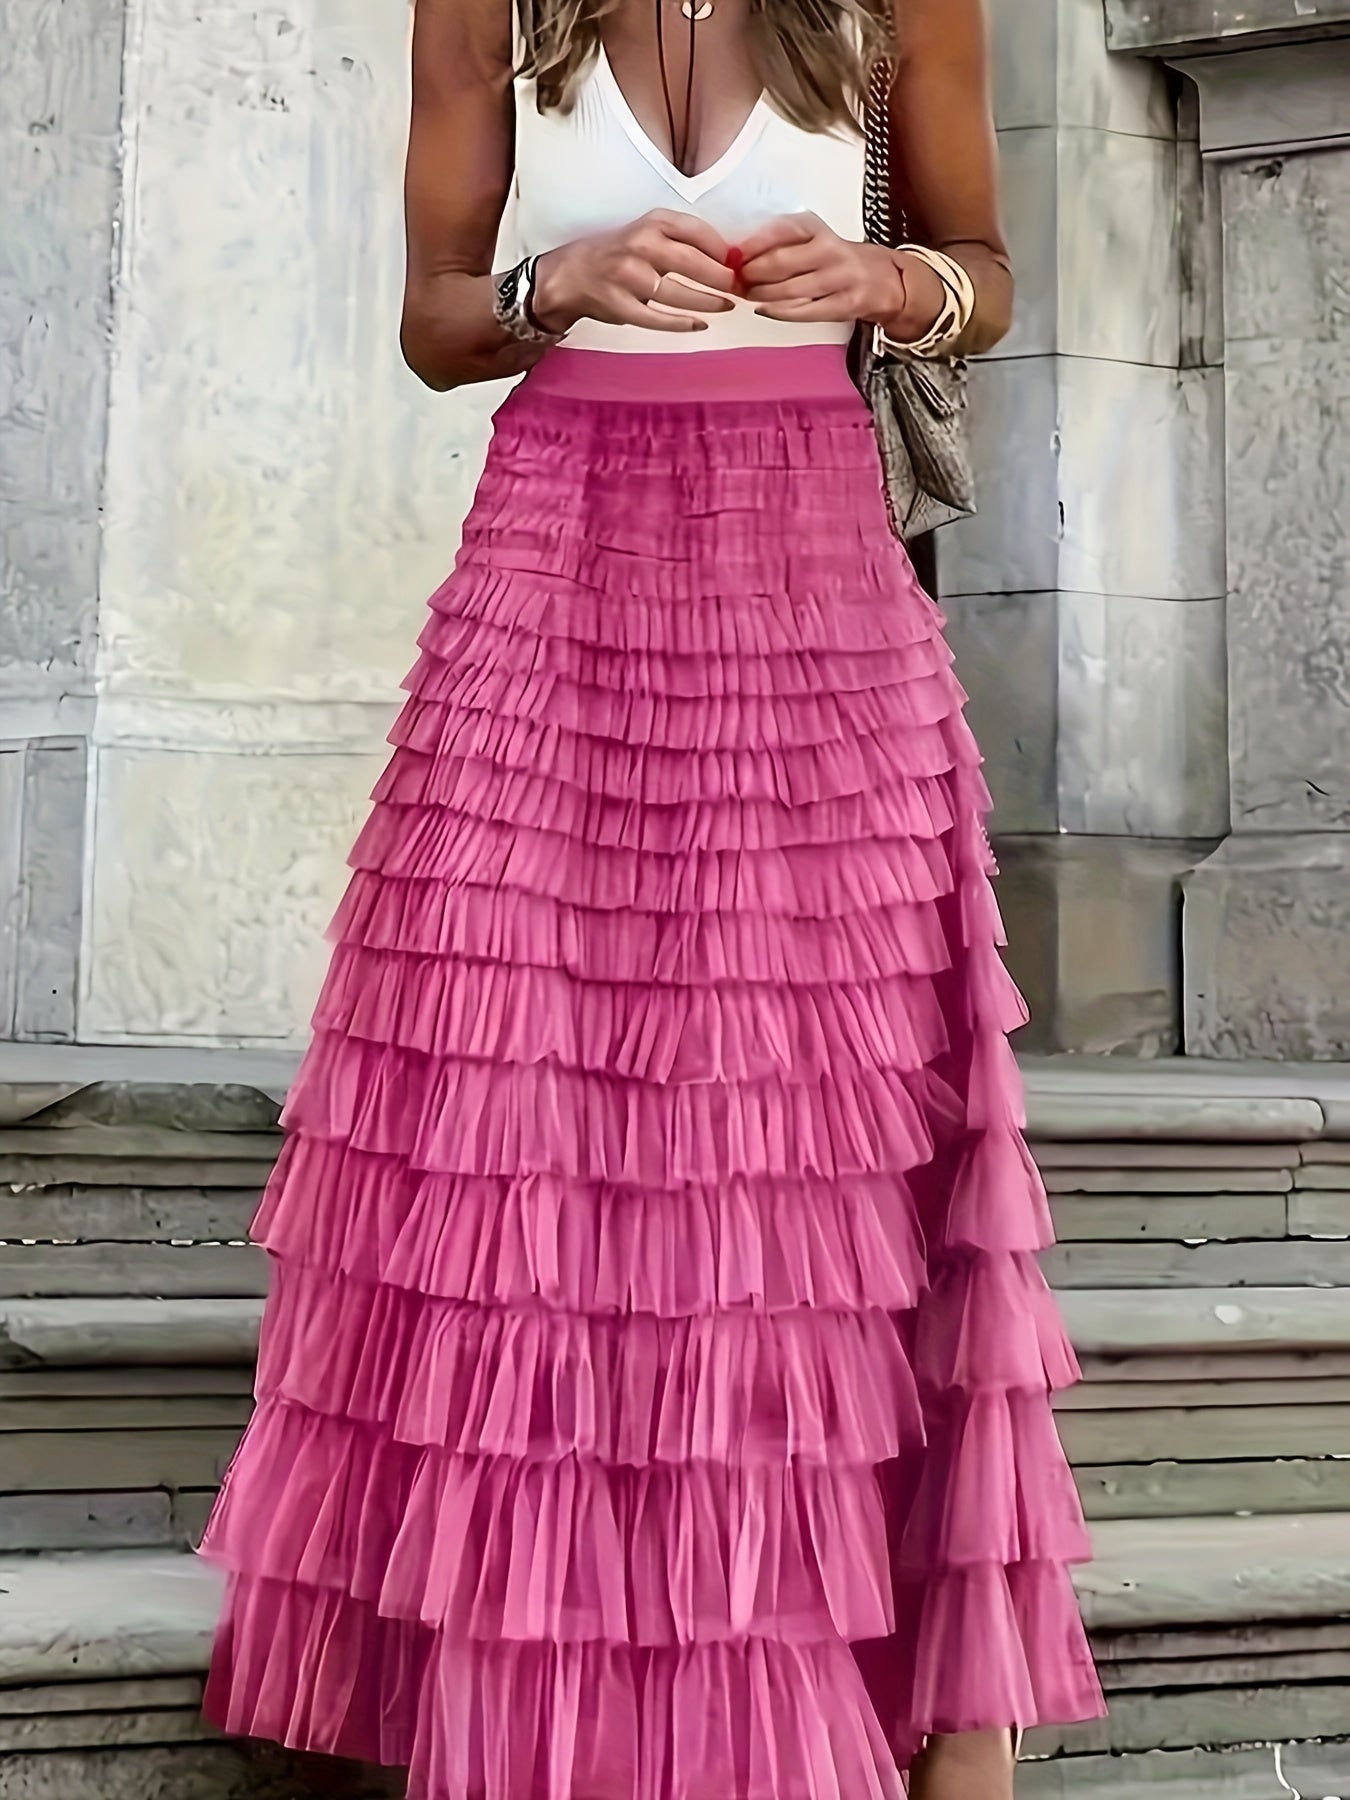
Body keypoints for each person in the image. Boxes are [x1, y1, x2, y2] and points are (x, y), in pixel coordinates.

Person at [200, 0, 1105, 1794]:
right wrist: (562, 281)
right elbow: (433, 324)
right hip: (556, 558)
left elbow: (986, 272)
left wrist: (889, 288)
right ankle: (530, 1689)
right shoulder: (492, 7)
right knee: (514, 1103)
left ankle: (890, 1703)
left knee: (814, 1123)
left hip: (805, 564)